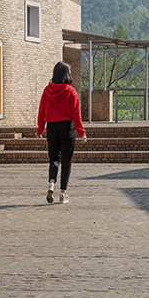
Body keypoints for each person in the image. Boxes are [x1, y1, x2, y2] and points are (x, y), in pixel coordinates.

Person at [37, 61, 87, 204]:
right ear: (66, 74)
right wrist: (82, 133)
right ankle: (63, 193)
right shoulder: (71, 91)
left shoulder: (47, 90)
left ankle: (51, 183)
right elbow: (76, 115)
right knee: (66, 160)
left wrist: (40, 129)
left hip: (52, 128)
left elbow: (42, 111)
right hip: (67, 128)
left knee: (54, 158)